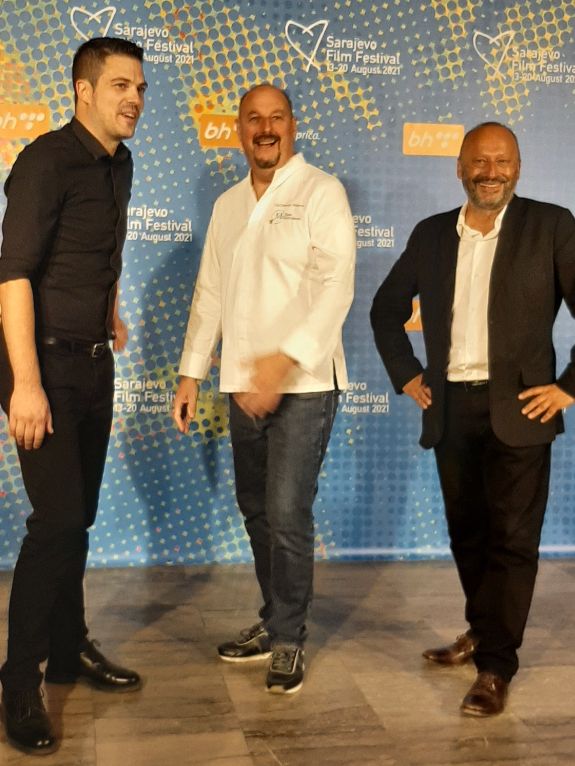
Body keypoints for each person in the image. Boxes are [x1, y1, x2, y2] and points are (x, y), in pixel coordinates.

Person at [370, 122, 575, 716]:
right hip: (451, 408)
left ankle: (495, 667)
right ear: (460, 169)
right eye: (479, 161)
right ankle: (483, 631)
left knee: (513, 539)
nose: (491, 172)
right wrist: (408, 373)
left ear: (519, 167)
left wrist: (567, 388)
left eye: (502, 160)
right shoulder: (432, 234)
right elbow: (386, 309)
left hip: (522, 407)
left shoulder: (551, 225)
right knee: (468, 534)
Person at [173, 83, 355, 694]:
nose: (266, 128)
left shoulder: (321, 192)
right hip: (242, 384)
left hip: (304, 384)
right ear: (240, 131)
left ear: (293, 126)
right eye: (254, 119)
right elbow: (210, 293)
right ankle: (275, 617)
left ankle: (288, 640)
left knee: (285, 511)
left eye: (277, 117)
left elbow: (335, 286)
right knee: (255, 508)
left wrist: (284, 363)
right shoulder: (228, 204)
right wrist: (191, 372)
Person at [0, 37, 147, 754]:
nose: (134, 99)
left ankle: (67, 651)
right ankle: (18, 683)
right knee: (56, 522)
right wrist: (25, 385)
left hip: (92, 363)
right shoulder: (45, 161)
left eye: (140, 87)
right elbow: (14, 276)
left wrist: (110, 311)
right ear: (83, 91)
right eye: (120, 85)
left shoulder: (121, 163)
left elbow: (102, 252)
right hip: (43, 368)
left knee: (78, 518)